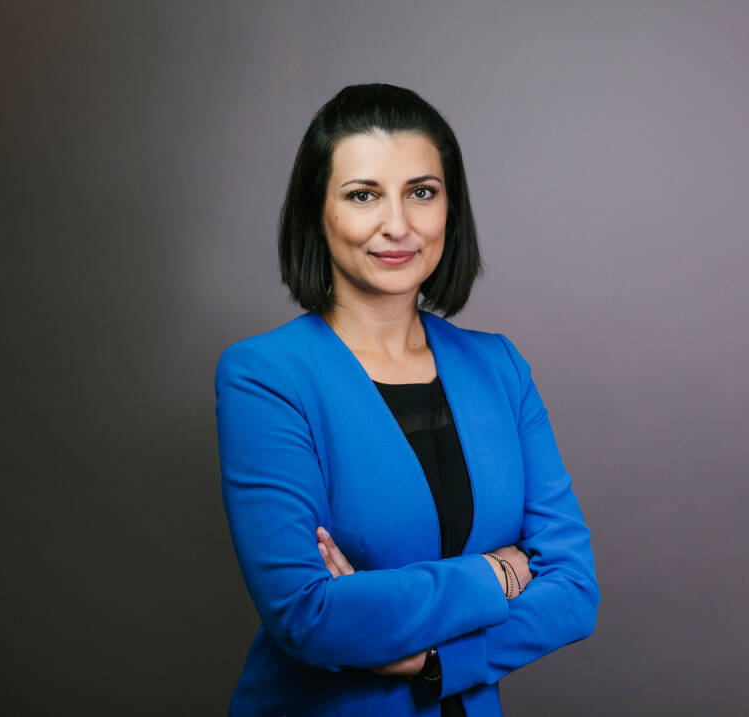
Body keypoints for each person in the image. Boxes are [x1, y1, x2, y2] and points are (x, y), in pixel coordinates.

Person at [214, 83, 599, 716]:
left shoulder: (499, 366)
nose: (398, 225)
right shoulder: (266, 376)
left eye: (421, 192)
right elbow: (310, 616)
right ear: (318, 211)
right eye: (363, 195)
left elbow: (575, 591)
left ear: (450, 209)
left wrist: (435, 660)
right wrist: (499, 572)